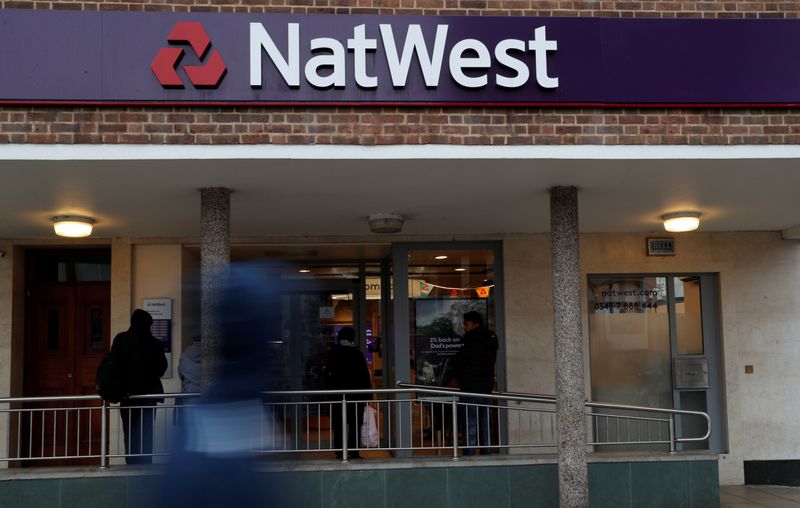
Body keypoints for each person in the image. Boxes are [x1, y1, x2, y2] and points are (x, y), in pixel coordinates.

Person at [111, 308, 168, 464]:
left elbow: (113, 366)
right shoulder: (154, 344)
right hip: (148, 396)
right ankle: (145, 464)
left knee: (129, 432)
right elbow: (162, 368)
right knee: (146, 433)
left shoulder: (121, 340)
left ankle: (132, 464)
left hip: (128, 395)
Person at [451, 310, 498, 456]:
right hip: (486, 386)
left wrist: (456, 371)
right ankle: (486, 450)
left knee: (470, 421)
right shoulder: (490, 338)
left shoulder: (471, 339)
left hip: (470, 386)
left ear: (475, 324)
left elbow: (462, 361)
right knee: (484, 422)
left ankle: (470, 452)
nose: (464, 327)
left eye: (466, 323)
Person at [324, 327, 372, 459]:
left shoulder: (333, 353)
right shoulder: (357, 354)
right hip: (355, 397)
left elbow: (327, 376)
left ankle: (340, 452)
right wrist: (367, 396)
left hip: (337, 396)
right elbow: (364, 376)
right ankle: (354, 451)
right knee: (355, 424)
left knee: (338, 425)